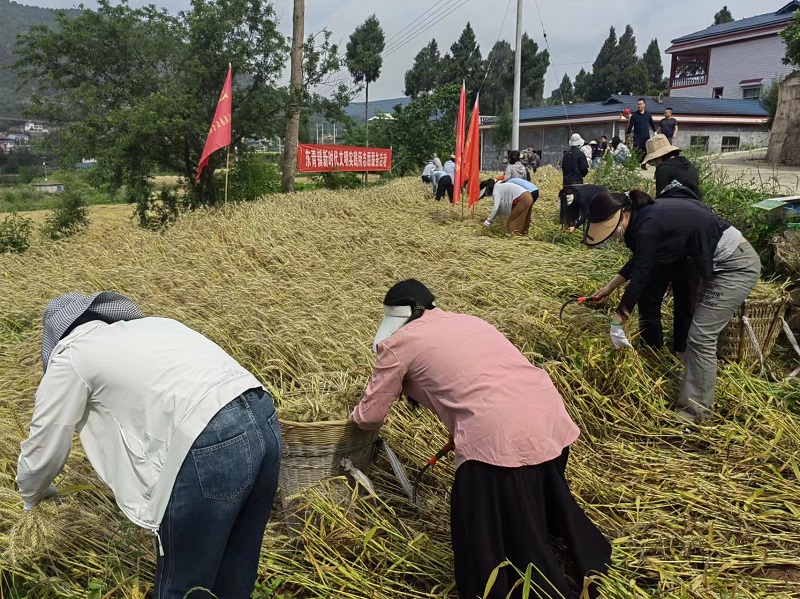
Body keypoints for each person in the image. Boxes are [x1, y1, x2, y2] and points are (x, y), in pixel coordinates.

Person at [352, 280, 612, 599]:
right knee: (535, 510)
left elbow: (369, 417)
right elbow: (485, 379)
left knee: (481, 530)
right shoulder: (470, 321)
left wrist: (346, 415)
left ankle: (535, 587)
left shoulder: (397, 344)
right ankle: (579, 563)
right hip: (549, 416)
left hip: (500, 437)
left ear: (399, 319)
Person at [16, 292, 282, 599]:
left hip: (211, 439)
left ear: (56, 338)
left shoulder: (72, 354)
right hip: (264, 418)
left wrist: (32, 494)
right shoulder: (157, 326)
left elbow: (43, 445)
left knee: (184, 584)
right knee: (237, 568)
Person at [585, 190, 761, 424]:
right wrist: (610, 287)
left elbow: (641, 276)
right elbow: (641, 259)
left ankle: (696, 413)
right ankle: (694, 387)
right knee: (699, 335)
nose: (615, 236)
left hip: (735, 265)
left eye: (611, 228)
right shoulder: (646, 217)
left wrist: (618, 320)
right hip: (717, 261)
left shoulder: (648, 223)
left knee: (701, 336)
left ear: (623, 214)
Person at [628, 135, 704, 357]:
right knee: (686, 299)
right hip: (694, 233)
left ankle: (653, 349)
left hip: (671, 234)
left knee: (650, 296)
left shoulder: (663, 170)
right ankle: (681, 349)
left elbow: (663, 203)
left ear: (657, 157)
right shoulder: (689, 166)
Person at [642, 134, 701, 199]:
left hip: (675, 207)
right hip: (696, 205)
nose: (654, 165)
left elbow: (661, 198)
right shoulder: (689, 164)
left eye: (652, 162)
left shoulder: (663, 169)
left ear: (658, 158)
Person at [625, 98, 656, 170]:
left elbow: (651, 123)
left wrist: (655, 131)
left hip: (646, 135)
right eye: (638, 104)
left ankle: (643, 164)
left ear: (644, 105)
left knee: (645, 150)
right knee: (636, 150)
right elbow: (630, 126)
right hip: (637, 136)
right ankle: (634, 164)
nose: (639, 106)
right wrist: (628, 134)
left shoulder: (648, 114)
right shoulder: (634, 115)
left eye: (641, 104)